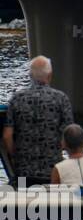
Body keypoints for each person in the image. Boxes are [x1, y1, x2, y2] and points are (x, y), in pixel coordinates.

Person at [3, 56, 74, 184]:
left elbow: (7, 135)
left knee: (24, 201)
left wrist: (15, 156)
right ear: (50, 75)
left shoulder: (16, 99)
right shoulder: (61, 99)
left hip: (23, 172)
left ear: (30, 75)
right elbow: (68, 136)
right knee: (52, 202)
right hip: (53, 171)